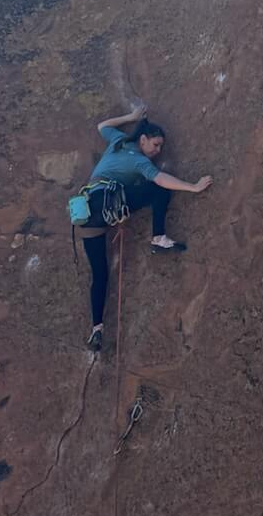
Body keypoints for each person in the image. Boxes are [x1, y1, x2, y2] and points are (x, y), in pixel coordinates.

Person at [77, 105, 212, 351]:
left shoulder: (117, 141)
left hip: (86, 215)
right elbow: (160, 179)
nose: (158, 151)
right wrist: (193, 187)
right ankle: (158, 238)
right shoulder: (139, 161)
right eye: (156, 144)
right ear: (143, 139)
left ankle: (97, 328)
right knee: (158, 189)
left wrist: (130, 117)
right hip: (107, 204)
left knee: (99, 273)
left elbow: (102, 127)